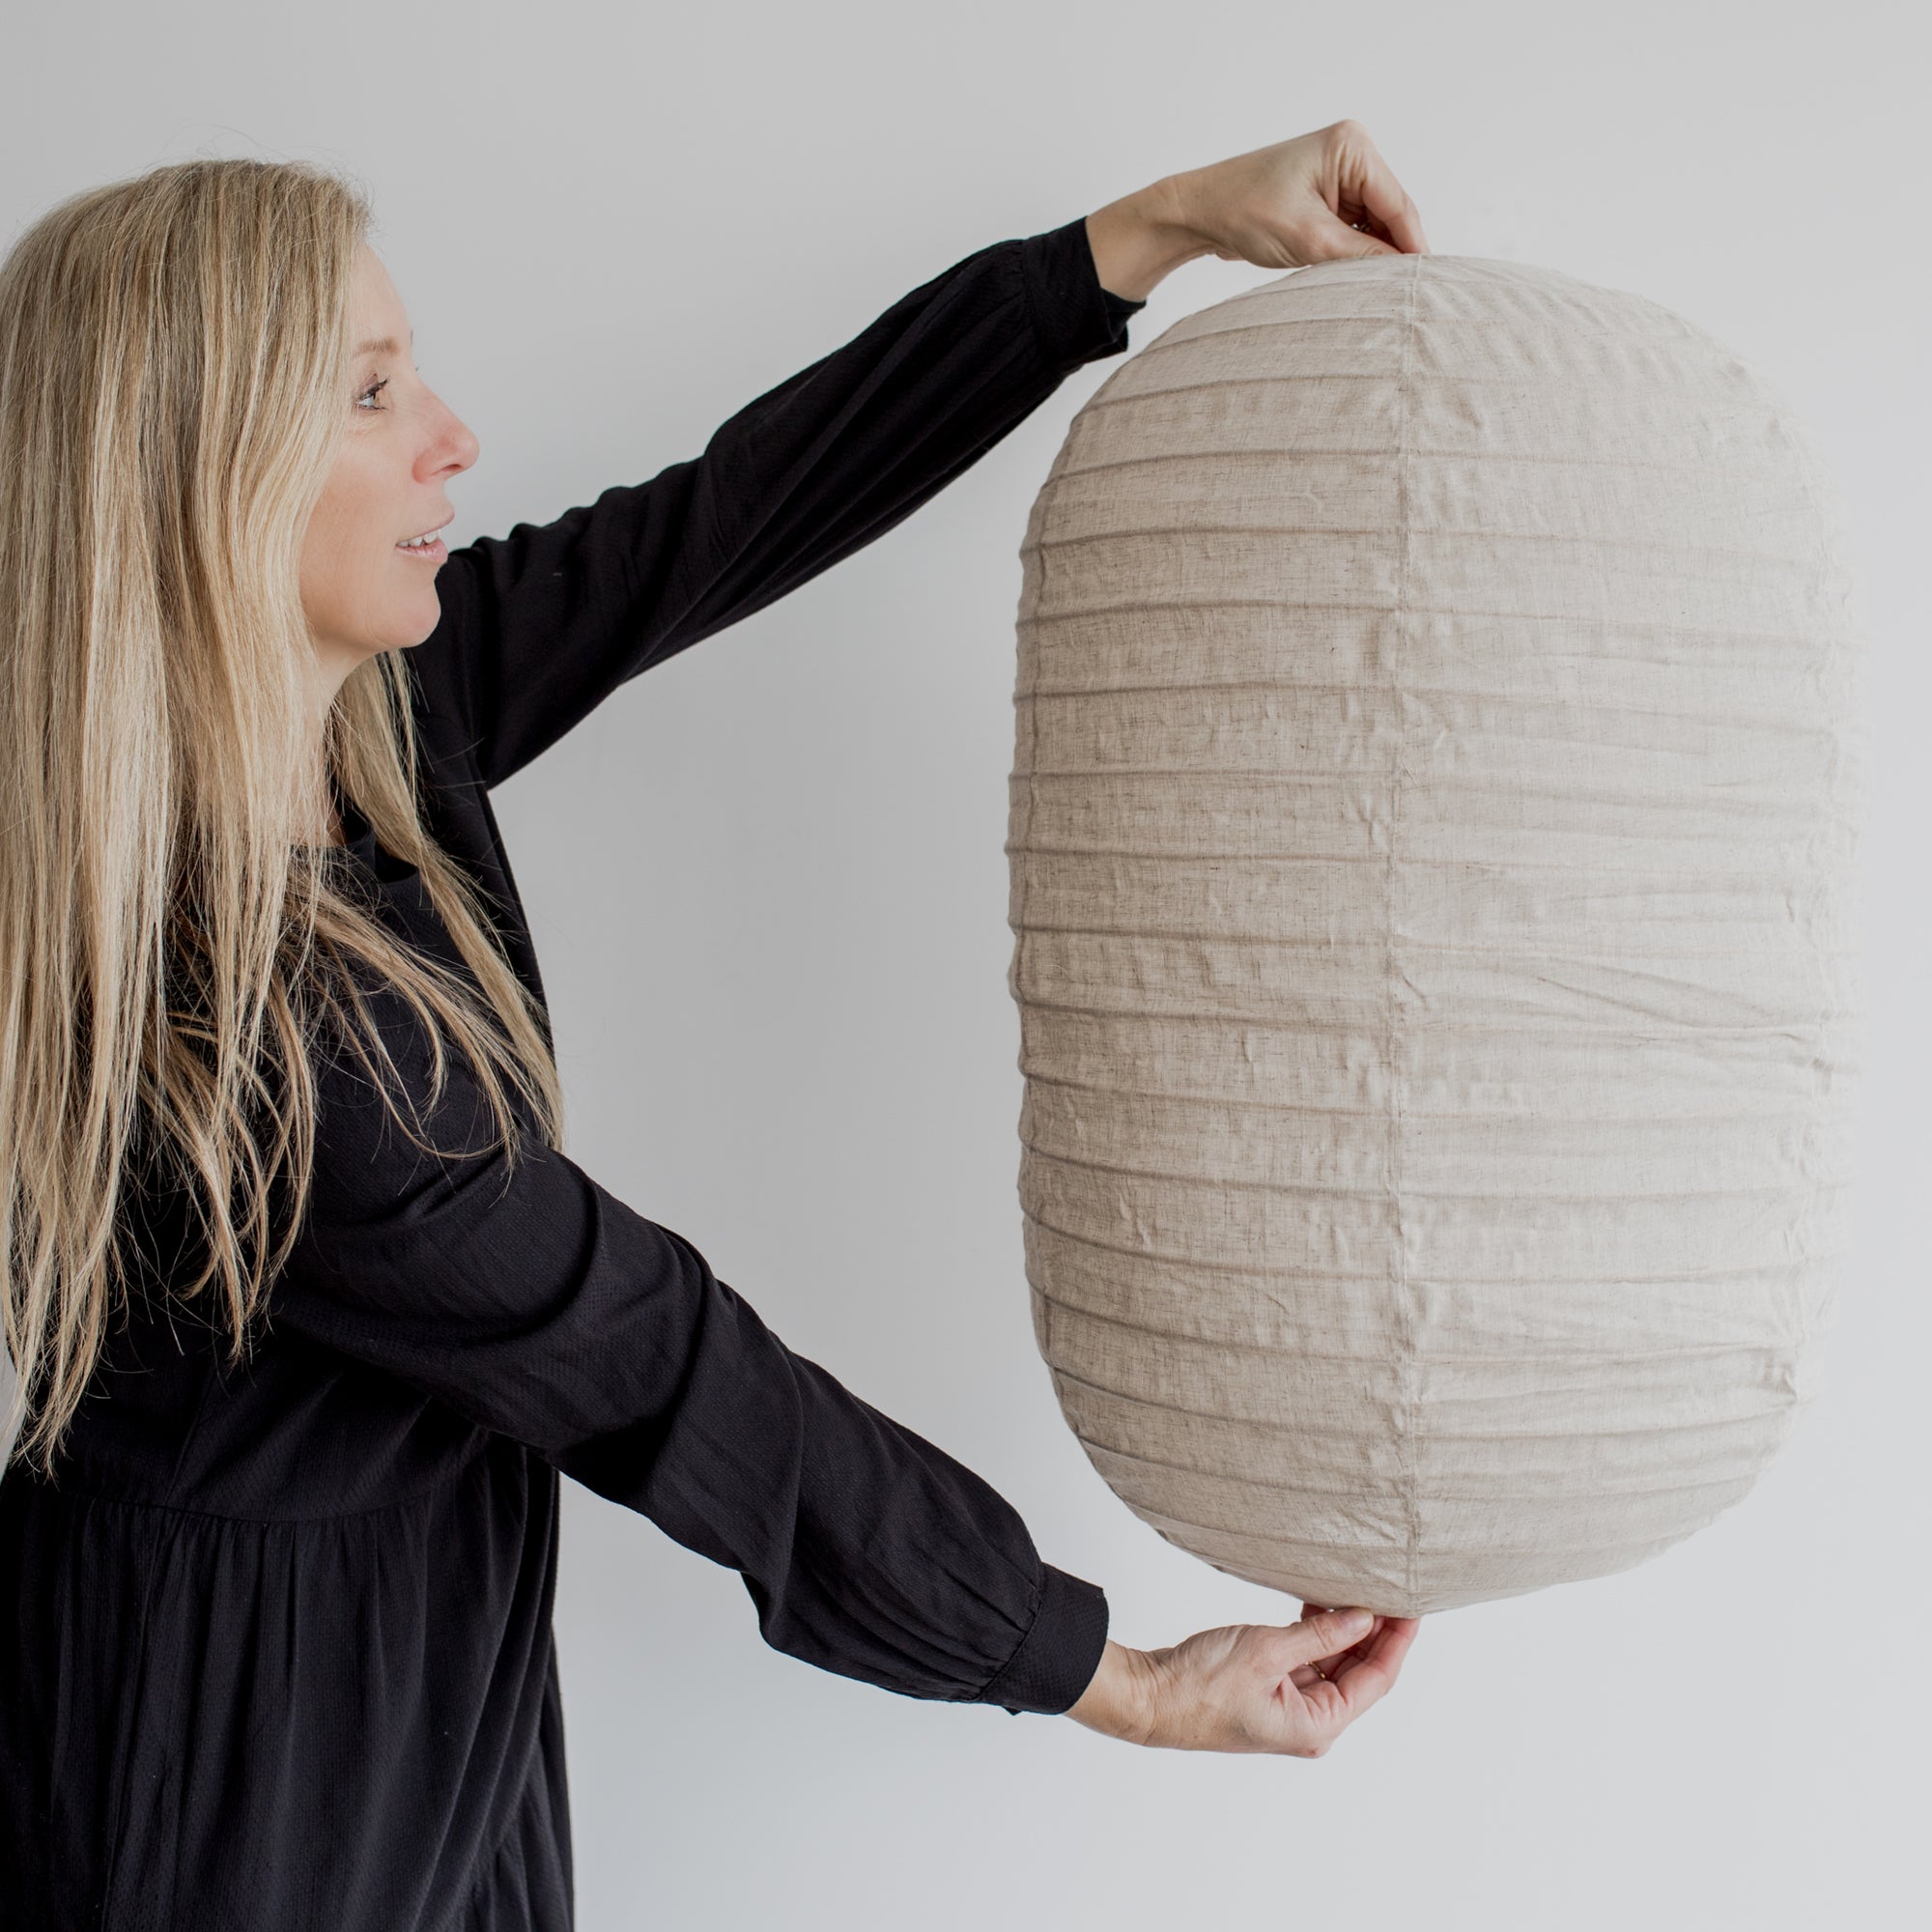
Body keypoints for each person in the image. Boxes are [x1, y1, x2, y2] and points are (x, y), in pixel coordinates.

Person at [0, 122, 1428, 1929]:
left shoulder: (368, 738)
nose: (451, 431)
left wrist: (1132, 241)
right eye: (373, 392)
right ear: (208, 478)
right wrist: (1106, 1672)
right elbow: (669, 1370)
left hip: (399, 1646)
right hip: (240, 1756)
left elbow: (717, 521)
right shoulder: (281, 1032)